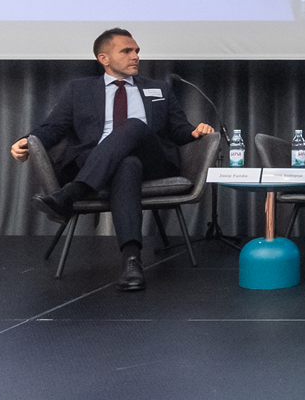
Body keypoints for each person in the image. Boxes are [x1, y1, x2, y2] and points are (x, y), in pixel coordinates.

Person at [11, 28, 215, 291]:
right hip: (98, 162)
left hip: (152, 162)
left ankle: (71, 193)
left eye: (137, 51)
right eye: (126, 51)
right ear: (103, 58)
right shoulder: (79, 90)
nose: (135, 56)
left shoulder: (158, 88)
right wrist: (27, 140)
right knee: (127, 164)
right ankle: (132, 261)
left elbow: (178, 130)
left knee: (134, 125)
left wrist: (194, 131)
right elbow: (54, 127)